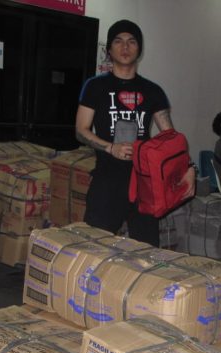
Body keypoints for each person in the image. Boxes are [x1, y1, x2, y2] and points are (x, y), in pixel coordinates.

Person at [75, 20, 195, 247]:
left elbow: (171, 138)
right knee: (95, 247)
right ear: (109, 49)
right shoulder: (95, 86)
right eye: (118, 41)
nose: (125, 47)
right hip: (107, 181)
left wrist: (188, 168)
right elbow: (81, 130)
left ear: (139, 49)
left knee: (146, 251)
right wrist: (111, 147)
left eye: (132, 41)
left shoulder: (153, 91)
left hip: (145, 182)